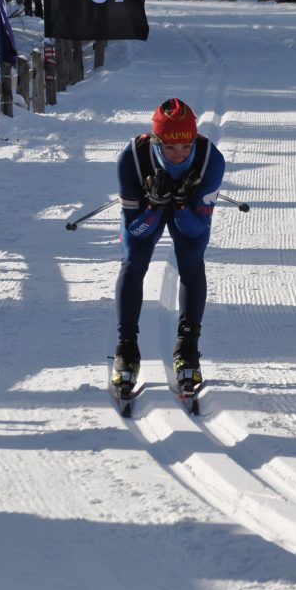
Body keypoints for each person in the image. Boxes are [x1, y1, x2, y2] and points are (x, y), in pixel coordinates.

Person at [112, 98, 226, 398]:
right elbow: (135, 232)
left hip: (187, 212)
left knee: (191, 259)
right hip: (146, 207)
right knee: (133, 262)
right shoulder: (132, 159)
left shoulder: (210, 160)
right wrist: (153, 206)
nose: (180, 155)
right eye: (170, 147)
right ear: (155, 141)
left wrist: (182, 206)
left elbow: (195, 231)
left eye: (187, 145)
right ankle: (126, 348)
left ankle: (187, 347)